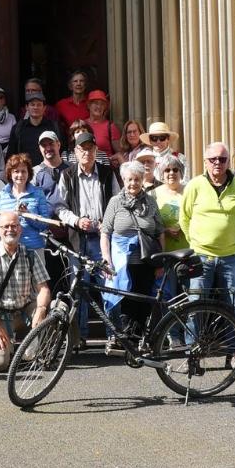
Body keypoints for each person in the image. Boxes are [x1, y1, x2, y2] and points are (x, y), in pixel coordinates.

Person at [54, 129, 115, 343]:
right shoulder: (67, 175)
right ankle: (79, 338)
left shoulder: (108, 174)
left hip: (102, 240)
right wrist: (76, 220)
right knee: (78, 289)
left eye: (90, 148)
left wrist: (104, 223)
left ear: (96, 150)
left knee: (108, 287)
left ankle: (113, 336)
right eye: (82, 149)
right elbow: (59, 207)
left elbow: (116, 204)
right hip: (77, 240)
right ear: (75, 152)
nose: (86, 152)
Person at [0, 211, 53, 372]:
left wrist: (41, 311)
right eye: (6, 226)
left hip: (25, 311)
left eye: (14, 226)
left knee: (58, 308)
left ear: (20, 229)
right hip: (0, 316)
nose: (10, 230)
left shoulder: (30, 255)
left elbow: (43, 288)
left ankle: (40, 351)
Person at [179, 142, 235, 314]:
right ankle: (193, 342)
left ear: (228, 162)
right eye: (213, 159)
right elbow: (184, 218)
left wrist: (231, 238)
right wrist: (196, 242)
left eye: (222, 159)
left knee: (233, 306)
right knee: (195, 306)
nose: (217, 162)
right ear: (205, 161)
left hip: (230, 255)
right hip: (201, 255)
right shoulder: (194, 185)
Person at [99, 161, 163, 352]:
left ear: (142, 180)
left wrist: (161, 260)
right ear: (123, 181)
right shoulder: (115, 202)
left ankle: (140, 340)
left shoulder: (151, 202)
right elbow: (105, 232)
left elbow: (159, 231)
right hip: (121, 262)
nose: (133, 183)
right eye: (129, 180)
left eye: (136, 179)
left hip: (145, 261)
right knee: (125, 302)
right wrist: (106, 258)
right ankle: (128, 341)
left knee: (143, 301)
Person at [0, 154, 54, 252]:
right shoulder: (1, 196)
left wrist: (28, 215)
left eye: (23, 171)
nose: (20, 175)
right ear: (10, 173)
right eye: (16, 171)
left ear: (29, 173)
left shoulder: (38, 193)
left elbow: (44, 224)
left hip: (34, 248)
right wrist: (7, 233)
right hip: (9, 249)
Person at [7, 92, 59, 166]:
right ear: (27, 107)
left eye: (39, 105)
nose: (35, 107)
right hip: (25, 172)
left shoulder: (53, 127)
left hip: (49, 171)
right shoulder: (18, 128)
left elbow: (62, 150)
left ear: (44, 108)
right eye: (32, 104)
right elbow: (11, 154)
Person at [152, 154, 189, 253]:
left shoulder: (190, 191)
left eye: (175, 170)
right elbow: (149, 222)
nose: (171, 173)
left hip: (188, 249)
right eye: (167, 170)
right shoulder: (153, 194)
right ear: (162, 174)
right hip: (163, 250)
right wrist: (164, 230)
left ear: (181, 172)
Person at [83, 90, 122, 159]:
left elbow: (120, 152)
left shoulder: (110, 126)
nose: (99, 106)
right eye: (96, 103)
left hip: (105, 167)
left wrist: (110, 159)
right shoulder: (82, 125)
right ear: (89, 105)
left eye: (102, 104)